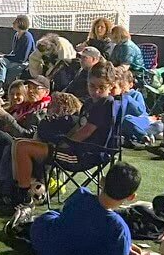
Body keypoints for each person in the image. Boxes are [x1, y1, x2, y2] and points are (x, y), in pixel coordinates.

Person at [9, 62, 118, 207]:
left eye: (102, 87)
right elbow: (79, 127)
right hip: (76, 148)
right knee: (19, 143)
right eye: (92, 86)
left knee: (23, 147)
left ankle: (24, 198)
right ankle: (23, 188)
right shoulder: (89, 103)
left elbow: (86, 131)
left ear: (110, 86)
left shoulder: (106, 103)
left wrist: (64, 143)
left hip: (84, 154)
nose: (96, 91)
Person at [23, 162, 147, 255]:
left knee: (53, 215)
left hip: (43, 244)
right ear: (131, 197)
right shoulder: (119, 229)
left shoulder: (81, 195)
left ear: (102, 181)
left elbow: (70, 221)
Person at [0, 14, 35, 85]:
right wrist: (4, 56)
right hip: (16, 60)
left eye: (15, 21)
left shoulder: (27, 37)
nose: (13, 23)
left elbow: (23, 58)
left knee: (9, 69)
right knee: (1, 61)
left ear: (21, 23)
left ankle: (7, 87)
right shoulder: (16, 35)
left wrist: (6, 56)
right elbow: (14, 52)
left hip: (24, 63)